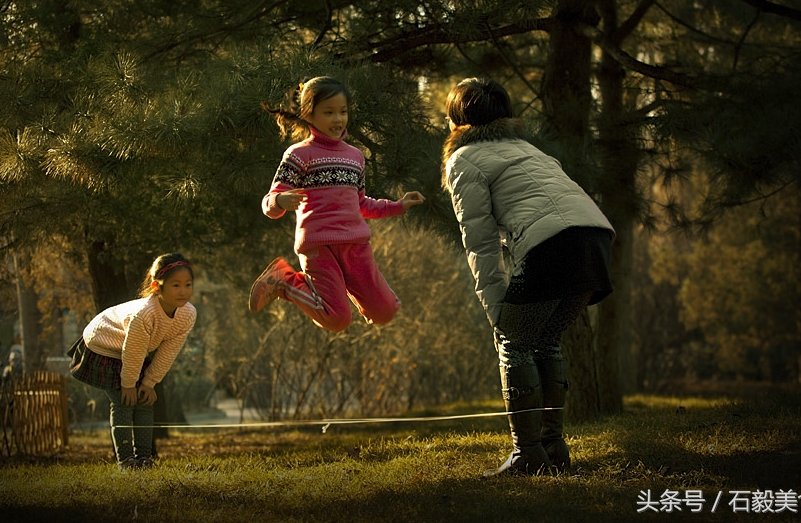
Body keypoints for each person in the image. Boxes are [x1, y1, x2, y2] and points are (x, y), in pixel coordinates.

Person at [441, 78, 615, 475]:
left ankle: (527, 455)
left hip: (552, 245)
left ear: (456, 121)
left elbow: (480, 240)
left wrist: (495, 307)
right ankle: (553, 450)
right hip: (596, 240)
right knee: (546, 339)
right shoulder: (528, 149)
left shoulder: (463, 159)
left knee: (513, 341)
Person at [248, 76, 425, 332]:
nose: (338, 119)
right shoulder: (299, 155)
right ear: (308, 114)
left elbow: (361, 204)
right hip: (319, 247)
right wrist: (280, 200)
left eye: (342, 112)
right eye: (328, 112)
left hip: (355, 245)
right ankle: (284, 281)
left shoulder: (355, 157)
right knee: (337, 319)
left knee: (385, 311)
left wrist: (398, 205)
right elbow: (269, 203)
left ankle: (307, 285)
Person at [67, 253, 197, 470]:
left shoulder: (188, 313)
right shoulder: (144, 314)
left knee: (145, 399)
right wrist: (128, 384)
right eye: (176, 285)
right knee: (123, 401)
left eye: (188, 284)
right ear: (157, 287)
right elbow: (133, 351)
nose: (183, 291)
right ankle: (126, 462)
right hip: (104, 345)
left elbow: (168, 351)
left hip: (132, 350)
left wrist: (148, 383)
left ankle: (144, 459)